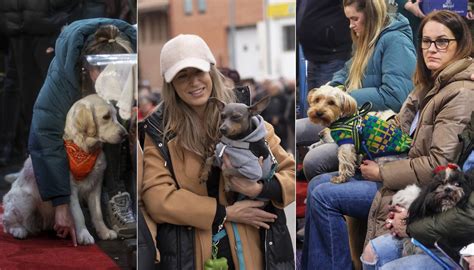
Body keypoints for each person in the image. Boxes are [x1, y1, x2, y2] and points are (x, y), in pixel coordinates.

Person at [297, 10, 473, 270]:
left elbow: (439, 164)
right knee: (318, 184)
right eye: (425, 41)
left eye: (442, 41)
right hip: (397, 166)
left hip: (416, 187)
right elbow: (400, 128)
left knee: (324, 194)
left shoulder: (459, 92)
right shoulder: (429, 83)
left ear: (460, 45)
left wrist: (382, 171)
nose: (431, 49)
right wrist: (370, 130)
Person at [140, 34, 295, 269]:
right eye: (182, 76)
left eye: (198, 72)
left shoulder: (249, 119)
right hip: (193, 253)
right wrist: (225, 213)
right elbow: (157, 198)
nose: (193, 83)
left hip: (254, 248)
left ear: (211, 71)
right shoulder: (159, 131)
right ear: (170, 84)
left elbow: (289, 173)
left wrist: (260, 188)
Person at [28, 18, 137, 244]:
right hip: (74, 139)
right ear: (86, 66)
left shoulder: (131, 55)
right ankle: (78, 197)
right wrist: (60, 203)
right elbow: (45, 134)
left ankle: (117, 194)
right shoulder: (62, 78)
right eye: (103, 70)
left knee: (122, 126)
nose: (111, 77)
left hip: (111, 143)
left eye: (117, 70)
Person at [298, 0, 417, 181]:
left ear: (371, 15)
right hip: (350, 118)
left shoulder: (396, 41)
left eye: (355, 18)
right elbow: (346, 70)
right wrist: (333, 88)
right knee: (297, 129)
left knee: (313, 161)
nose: (351, 25)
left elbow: (396, 96)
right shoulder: (365, 39)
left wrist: (345, 98)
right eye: (348, 19)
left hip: (375, 128)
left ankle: (341, 191)